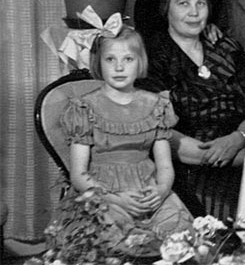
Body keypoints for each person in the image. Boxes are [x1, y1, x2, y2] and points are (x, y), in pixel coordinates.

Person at [137, 0, 245, 219]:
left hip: (242, 155)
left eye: (201, 3)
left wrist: (236, 139)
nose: (194, 12)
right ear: (166, 8)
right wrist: (243, 156)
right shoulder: (154, 57)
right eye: (183, 3)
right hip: (190, 171)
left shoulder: (227, 48)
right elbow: (160, 132)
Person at [59, 25, 192, 255]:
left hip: (148, 194)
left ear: (140, 63)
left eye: (128, 59)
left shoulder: (155, 105)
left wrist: (161, 190)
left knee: (178, 231)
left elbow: (164, 166)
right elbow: (78, 175)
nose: (119, 67)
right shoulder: (84, 107)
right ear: (98, 63)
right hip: (104, 195)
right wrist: (117, 200)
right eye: (110, 59)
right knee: (110, 234)